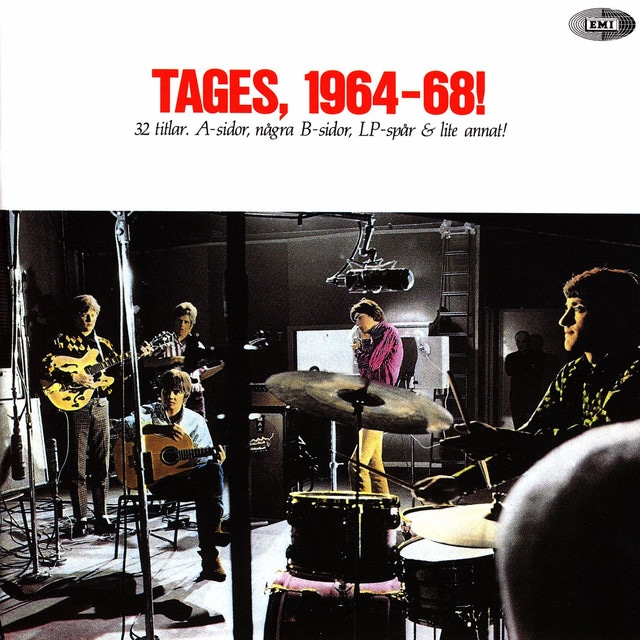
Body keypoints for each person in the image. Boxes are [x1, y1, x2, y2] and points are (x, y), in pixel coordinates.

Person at [413, 266, 640, 505]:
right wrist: (460, 482)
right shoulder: (573, 372)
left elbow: (594, 442)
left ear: (614, 316)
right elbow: (530, 440)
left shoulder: (636, 371)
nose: (563, 320)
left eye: (578, 309)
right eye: (566, 308)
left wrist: (501, 440)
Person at [496, 423, 640, 640]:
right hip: (567, 510)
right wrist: (463, 480)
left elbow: (556, 442)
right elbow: (539, 434)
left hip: (604, 516)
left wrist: (503, 440)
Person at [40, 295, 151, 537]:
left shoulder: (104, 344)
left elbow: (118, 374)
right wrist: (73, 376)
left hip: (101, 404)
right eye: (84, 313)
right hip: (75, 406)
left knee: (102, 463)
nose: (89, 318)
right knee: (77, 464)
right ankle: (80, 517)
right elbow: (43, 367)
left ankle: (102, 516)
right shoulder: (61, 340)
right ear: (75, 316)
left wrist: (137, 357)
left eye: (93, 313)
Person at [123, 369, 228, 582]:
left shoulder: (196, 421)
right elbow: (121, 426)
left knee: (212, 471)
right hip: (156, 482)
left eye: (176, 392)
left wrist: (217, 460)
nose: (170, 396)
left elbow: (203, 460)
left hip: (185, 481)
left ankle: (211, 551)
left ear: (185, 396)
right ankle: (211, 549)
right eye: (166, 391)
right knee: (207, 496)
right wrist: (158, 429)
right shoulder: (149, 412)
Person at [348, 298, 403, 494]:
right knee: (374, 463)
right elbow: (366, 372)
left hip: (380, 401)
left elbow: (372, 364)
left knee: (356, 464)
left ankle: (363, 508)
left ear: (373, 315)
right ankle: (386, 506)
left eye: (360, 317)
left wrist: (359, 349)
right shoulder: (373, 337)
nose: (358, 323)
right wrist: (363, 347)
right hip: (374, 400)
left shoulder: (387, 331)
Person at [142, 302, 220, 418]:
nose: (182, 325)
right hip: (170, 396)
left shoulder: (197, 346)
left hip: (194, 396)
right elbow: (146, 362)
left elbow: (202, 374)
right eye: (179, 321)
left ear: (191, 325)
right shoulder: (164, 342)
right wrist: (173, 360)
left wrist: (221, 366)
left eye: (186, 322)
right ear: (173, 322)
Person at [504, 330, 546, 428]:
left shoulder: (538, 356)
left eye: (523, 341)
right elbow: (509, 371)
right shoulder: (511, 357)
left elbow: (539, 372)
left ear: (528, 342)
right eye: (518, 342)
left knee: (533, 422)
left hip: (533, 394)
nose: (521, 344)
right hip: (517, 395)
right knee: (518, 422)